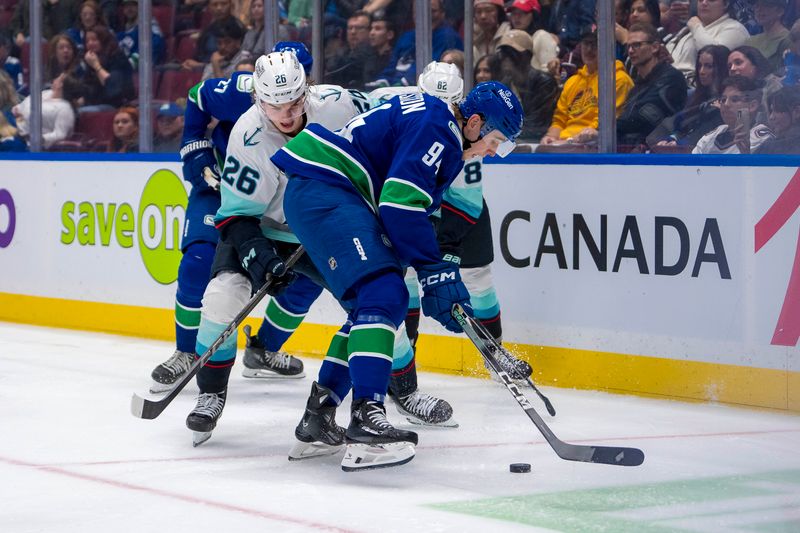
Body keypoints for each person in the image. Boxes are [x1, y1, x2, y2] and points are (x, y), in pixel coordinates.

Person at [271, 81, 523, 471]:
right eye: (497, 140)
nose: (495, 151)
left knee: (372, 307)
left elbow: (409, 209)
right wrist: (433, 269)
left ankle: (319, 416)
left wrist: (433, 268)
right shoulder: (439, 128)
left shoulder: (441, 129)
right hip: (329, 188)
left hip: (333, 192)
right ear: (474, 122)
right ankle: (366, 417)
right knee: (385, 293)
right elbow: (399, 203)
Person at [181, 51, 370, 447]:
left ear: (307, 92)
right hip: (265, 228)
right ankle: (211, 392)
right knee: (221, 297)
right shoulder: (246, 135)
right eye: (272, 106)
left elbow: (381, 125)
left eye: (293, 104)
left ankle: (395, 391)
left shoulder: (337, 104)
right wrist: (261, 258)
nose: (284, 116)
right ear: (257, 100)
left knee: (375, 304)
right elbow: (235, 217)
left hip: (321, 226)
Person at [148, 43, 316, 395]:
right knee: (198, 261)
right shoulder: (243, 92)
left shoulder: (321, 106)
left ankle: (264, 350)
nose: (285, 104)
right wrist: (194, 146)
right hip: (223, 187)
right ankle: (185, 351)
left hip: (282, 201)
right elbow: (197, 95)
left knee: (306, 277)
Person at [540, 25, 635, 145]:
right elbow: (559, 119)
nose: (589, 49)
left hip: (594, 146)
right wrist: (550, 137)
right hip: (564, 144)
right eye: (586, 43)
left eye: (595, 44)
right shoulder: (572, 81)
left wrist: (568, 141)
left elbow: (603, 125)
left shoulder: (619, 80)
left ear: (608, 47)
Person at [617, 22, 688, 148]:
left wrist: (605, 130)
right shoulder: (636, 87)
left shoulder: (671, 78)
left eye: (637, 45)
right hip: (632, 148)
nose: (631, 51)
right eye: (628, 46)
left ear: (655, 47)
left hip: (659, 151)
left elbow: (645, 118)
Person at [648, 44, 729, 149]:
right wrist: (670, 139)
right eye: (700, 66)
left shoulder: (729, 101)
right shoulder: (693, 96)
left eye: (709, 66)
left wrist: (680, 144)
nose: (701, 72)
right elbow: (678, 126)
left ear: (722, 68)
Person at [371, 0, 463, 87]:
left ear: (442, 14)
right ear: (414, 14)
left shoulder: (447, 37)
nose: (427, 15)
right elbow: (392, 64)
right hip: (395, 88)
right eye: (420, 11)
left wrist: (403, 83)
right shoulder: (407, 36)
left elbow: (428, 68)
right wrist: (383, 80)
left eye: (432, 11)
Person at [488, 29, 559, 141]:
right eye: (504, 53)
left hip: (535, 145)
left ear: (527, 56)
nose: (507, 58)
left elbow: (538, 124)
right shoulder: (504, 85)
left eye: (512, 53)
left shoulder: (544, 82)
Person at [664, 0, 749, 82]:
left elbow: (714, 57)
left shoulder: (735, 28)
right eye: (700, 0)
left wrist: (696, 27)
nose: (704, 3)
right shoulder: (689, 28)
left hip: (694, 85)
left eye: (711, 0)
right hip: (668, 78)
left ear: (725, 4)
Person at [692, 75, 773, 154]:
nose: (726, 104)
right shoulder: (712, 136)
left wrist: (746, 156)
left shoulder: (764, 139)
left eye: (735, 100)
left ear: (752, 106)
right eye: (723, 100)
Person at [12, 73, 81, 149]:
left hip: (27, 143)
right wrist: (17, 109)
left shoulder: (65, 109)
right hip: (14, 125)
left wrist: (38, 139)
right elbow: (25, 103)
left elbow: (60, 134)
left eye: (57, 78)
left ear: (60, 85)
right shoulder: (46, 93)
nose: (54, 80)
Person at [76, 26, 135, 109]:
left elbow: (113, 88)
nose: (90, 43)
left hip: (117, 105)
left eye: (94, 40)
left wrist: (96, 66)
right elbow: (88, 89)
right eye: (87, 41)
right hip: (96, 103)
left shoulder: (117, 56)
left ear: (104, 41)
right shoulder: (90, 60)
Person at [508, 0, 560, 72]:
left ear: (534, 15)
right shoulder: (508, 37)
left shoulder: (542, 37)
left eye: (523, 12)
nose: (517, 17)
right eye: (514, 13)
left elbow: (549, 74)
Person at [116, 0, 166, 68]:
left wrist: (134, 60)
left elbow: (155, 44)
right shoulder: (121, 35)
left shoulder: (148, 25)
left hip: (140, 72)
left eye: (133, 5)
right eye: (126, 6)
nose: (129, 8)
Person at [755, 84, 800, 153]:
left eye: (777, 110)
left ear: (797, 111)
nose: (771, 117)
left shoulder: (771, 147)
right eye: (771, 111)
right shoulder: (770, 145)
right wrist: (745, 150)